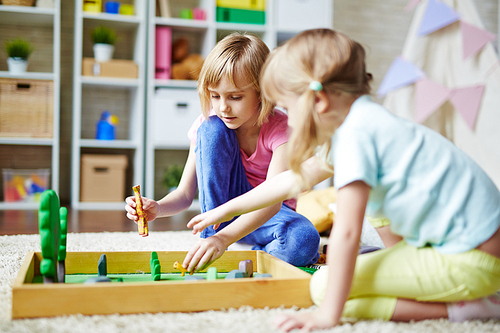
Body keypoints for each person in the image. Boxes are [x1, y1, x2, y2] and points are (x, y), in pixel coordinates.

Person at [186, 29, 500, 330]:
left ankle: (469, 308)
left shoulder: (355, 138)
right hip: (471, 247)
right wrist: (222, 213)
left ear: (318, 101)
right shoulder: (365, 121)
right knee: (353, 267)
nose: (288, 118)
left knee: (324, 288)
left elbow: (347, 234)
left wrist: (326, 317)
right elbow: (289, 181)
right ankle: (440, 288)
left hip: (471, 260)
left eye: (288, 107)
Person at [125, 32, 320, 271]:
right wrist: (157, 207)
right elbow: (185, 194)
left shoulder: (282, 130)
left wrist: (225, 239)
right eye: (214, 96)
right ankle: (212, 239)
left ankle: (241, 250)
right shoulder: (209, 123)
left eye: (235, 97)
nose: (223, 107)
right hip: (220, 218)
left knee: (305, 240)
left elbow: (271, 204)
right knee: (211, 129)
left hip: (270, 215)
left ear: (262, 93)